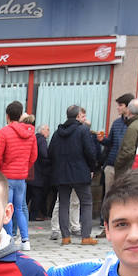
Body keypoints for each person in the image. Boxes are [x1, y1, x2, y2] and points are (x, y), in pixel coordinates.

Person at [46, 105, 101, 246]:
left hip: (61, 174)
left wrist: (57, 167)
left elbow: (50, 153)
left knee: (63, 204)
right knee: (86, 203)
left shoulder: (57, 133)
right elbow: (90, 152)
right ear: (77, 116)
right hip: (80, 173)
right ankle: (85, 237)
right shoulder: (83, 130)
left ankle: (65, 237)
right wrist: (92, 168)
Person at [0, 102, 38, 250]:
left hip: (6, 176)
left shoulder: (4, 132)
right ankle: (25, 240)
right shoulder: (31, 133)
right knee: (20, 208)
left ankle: (9, 239)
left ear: (7, 116)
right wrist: (24, 168)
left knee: (6, 209)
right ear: (21, 114)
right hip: (21, 177)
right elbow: (34, 156)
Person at [100, 94, 133, 202]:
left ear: (128, 107)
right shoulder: (116, 123)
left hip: (126, 167)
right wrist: (101, 140)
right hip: (111, 165)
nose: (118, 108)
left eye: (120, 105)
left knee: (124, 197)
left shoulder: (135, 124)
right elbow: (110, 142)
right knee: (108, 196)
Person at [113, 100, 138, 174]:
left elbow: (127, 151)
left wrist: (117, 163)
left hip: (128, 168)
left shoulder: (132, 127)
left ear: (128, 110)